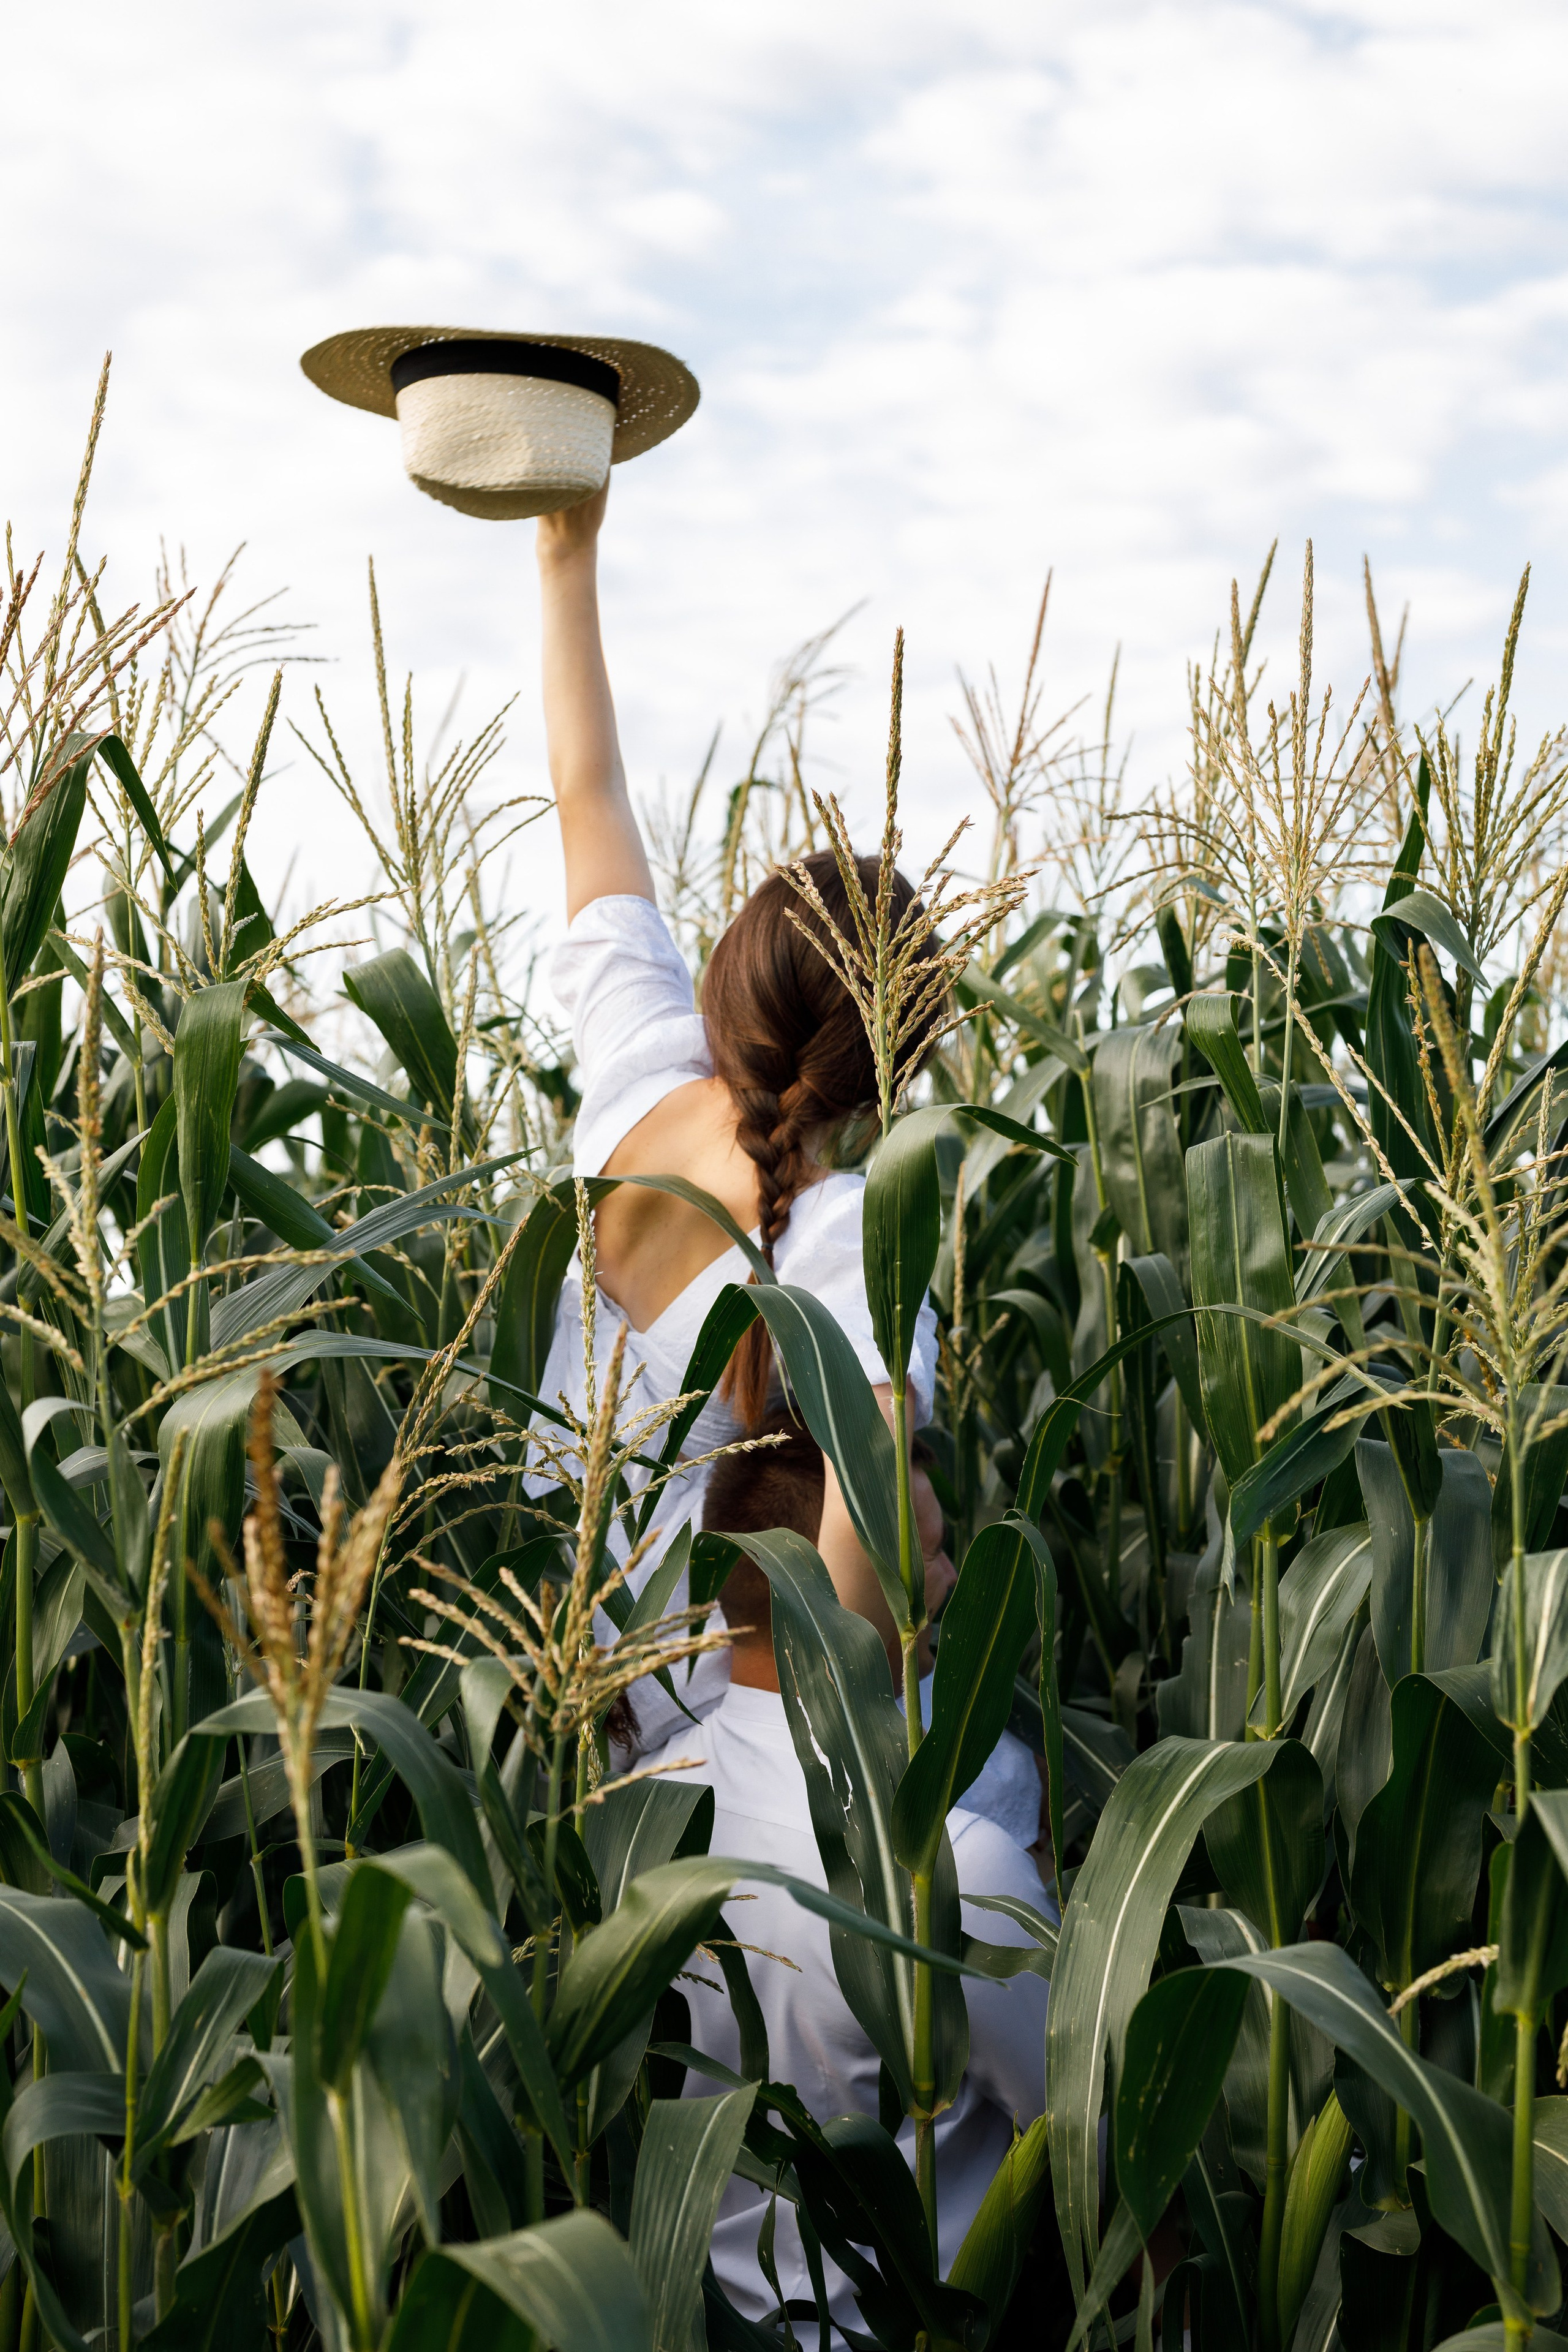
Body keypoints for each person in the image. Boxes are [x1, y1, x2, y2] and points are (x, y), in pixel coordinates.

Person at [530, 481, 939, 1751]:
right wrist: (851, 1759)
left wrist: (564, 551)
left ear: (733, 969)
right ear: (886, 1071)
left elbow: (586, 791)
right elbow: (875, 1487)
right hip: (697, 1713)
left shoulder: (635, 1065)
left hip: (541, 1662)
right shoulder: (841, 1229)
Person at [643, 1414, 1051, 2340]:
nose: (952, 1580)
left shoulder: (638, 1817)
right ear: (831, 1586)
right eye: (930, 1556)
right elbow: (1093, 2133)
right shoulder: (949, 1871)